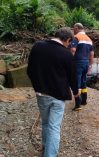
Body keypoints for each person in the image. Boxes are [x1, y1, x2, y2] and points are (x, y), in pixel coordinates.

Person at [27, 27, 79, 157]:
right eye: (69, 43)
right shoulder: (66, 54)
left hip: (41, 94)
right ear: (67, 39)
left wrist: (37, 86)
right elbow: (72, 77)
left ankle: (45, 147)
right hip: (58, 96)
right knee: (54, 127)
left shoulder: (37, 46)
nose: (68, 45)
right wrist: (76, 92)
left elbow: (30, 70)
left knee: (45, 122)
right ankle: (50, 154)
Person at [70, 23, 94, 111]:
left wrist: (70, 62)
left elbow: (73, 50)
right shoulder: (89, 39)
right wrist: (90, 65)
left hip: (78, 62)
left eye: (73, 29)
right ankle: (84, 101)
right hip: (85, 63)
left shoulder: (77, 37)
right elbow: (92, 54)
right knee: (83, 82)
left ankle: (78, 105)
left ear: (77, 28)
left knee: (77, 83)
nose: (73, 31)